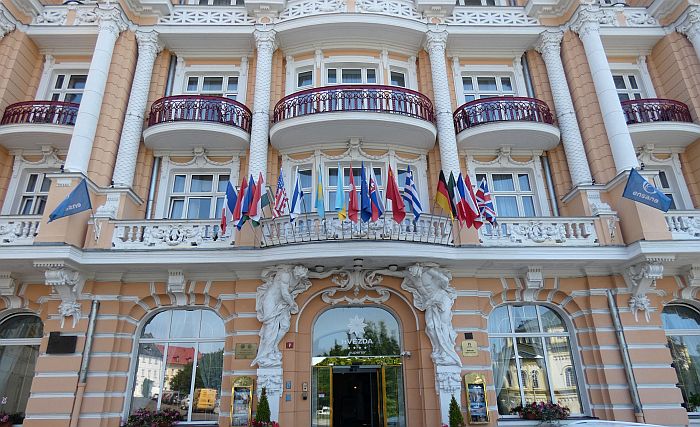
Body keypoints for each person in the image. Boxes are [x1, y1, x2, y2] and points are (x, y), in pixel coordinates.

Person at [401, 263, 461, 367]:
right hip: (429, 302)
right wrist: (375, 272)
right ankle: (438, 348)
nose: (414, 274)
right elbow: (393, 272)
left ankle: (446, 350)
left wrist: (443, 285)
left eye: (415, 271)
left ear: (419, 268)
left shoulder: (429, 271)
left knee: (443, 324)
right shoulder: (411, 275)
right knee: (430, 326)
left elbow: (445, 280)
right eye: (411, 272)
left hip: (442, 298)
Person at [251, 265, 310, 367]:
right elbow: (285, 293)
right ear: (295, 272)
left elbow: (318, 274)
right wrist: (292, 304)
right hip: (271, 300)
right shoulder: (285, 274)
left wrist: (334, 270)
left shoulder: (299, 277)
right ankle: (265, 354)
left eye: (301, 277)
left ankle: (273, 346)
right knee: (269, 326)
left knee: (285, 326)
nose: (298, 278)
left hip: (282, 303)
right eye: (298, 275)